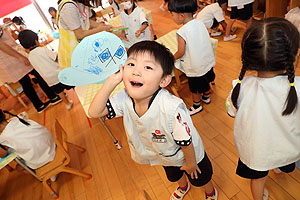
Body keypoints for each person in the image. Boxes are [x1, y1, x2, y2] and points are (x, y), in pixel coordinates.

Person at [88, 41, 218, 200]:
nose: (136, 72)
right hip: (164, 154)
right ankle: (183, 186)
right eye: (131, 64)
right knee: (174, 175)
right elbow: (95, 112)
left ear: (163, 81)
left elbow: (186, 141)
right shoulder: (125, 98)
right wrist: (110, 82)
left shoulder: (171, 108)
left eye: (147, 67)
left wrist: (191, 163)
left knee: (200, 177)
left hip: (190, 155)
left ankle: (210, 192)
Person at [226, 18, 300, 200]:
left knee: (258, 179)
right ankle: (278, 165)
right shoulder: (298, 87)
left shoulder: (240, 87)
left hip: (255, 151)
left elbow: (230, 111)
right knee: (283, 161)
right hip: (287, 148)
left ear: (248, 58)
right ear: (295, 56)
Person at [168, 0, 216, 116]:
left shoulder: (182, 32)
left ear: (182, 16)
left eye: (172, 14)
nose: (172, 17)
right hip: (206, 61)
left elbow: (180, 52)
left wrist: (170, 57)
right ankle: (206, 97)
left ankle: (196, 105)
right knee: (206, 79)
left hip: (195, 66)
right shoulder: (200, 23)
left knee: (195, 87)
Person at [0, 26, 61, 113]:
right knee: (38, 75)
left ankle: (40, 105)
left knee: (26, 83)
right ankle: (52, 97)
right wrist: (20, 57)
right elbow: (1, 45)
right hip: (13, 58)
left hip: (10, 59)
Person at [18, 30, 73, 110]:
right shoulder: (42, 50)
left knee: (59, 92)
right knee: (72, 84)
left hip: (50, 80)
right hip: (59, 73)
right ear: (36, 41)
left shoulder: (30, 57)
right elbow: (56, 57)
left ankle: (67, 103)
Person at [57, 0, 112, 70]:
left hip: (84, 49)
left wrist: (100, 25)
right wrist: (100, 29)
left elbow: (86, 21)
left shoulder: (82, 3)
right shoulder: (68, 7)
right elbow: (79, 34)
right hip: (74, 54)